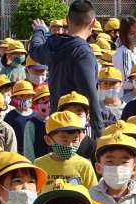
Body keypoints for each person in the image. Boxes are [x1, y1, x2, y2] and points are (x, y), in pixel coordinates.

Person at [30, 0, 104, 139]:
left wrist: (40, 31)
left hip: (57, 124)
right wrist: (100, 133)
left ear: (67, 20)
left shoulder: (54, 43)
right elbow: (90, 95)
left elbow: (35, 50)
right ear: (93, 23)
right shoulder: (83, 53)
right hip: (76, 128)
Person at [34, 111, 97, 189]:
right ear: (48, 140)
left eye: (74, 140)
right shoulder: (39, 165)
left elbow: (93, 193)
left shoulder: (85, 165)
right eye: (64, 140)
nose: (70, 145)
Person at [57, 91, 96, 161]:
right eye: (68, 114)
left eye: (78, 114)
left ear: (87, 119)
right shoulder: (55, 144)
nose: (73, 118)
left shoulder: (93, 146)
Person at [4, 80, 39, 153]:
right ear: (14, 98)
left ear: (33, 97)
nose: (25, 99)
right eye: (22, 96)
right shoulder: (10, 117)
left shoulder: (37, 115)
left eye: (28, 95)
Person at [112, 16, 136, 92]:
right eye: (132, 33)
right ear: (124, 35)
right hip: (128, 93)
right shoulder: (124, 52)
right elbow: (127, 80)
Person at [24, 85, 50, 162]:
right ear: (36, 104)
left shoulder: (56, 120)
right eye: (43, 100)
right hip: (38, 164)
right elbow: (28, 149)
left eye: (49, 99)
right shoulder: (31, 124)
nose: (48, 104)